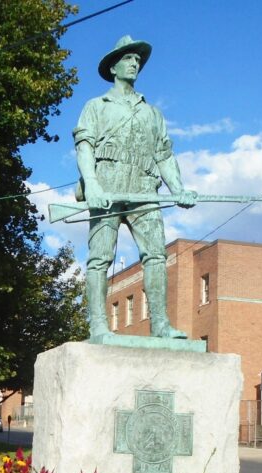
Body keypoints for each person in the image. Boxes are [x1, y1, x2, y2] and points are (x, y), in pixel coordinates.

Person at [74, 35, 197, 340]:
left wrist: (178, 188)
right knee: (100, 257)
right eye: (128, 58)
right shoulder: (96, 106)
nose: (134, 63)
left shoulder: (152, 113)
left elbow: (164, 154)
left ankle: (160, 324)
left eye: (137, 60)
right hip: (108, 185)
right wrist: (91, 185)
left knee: (156, 255)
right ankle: (99, 325)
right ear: (113, 66)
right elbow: (84, 147)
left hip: (144, 186)